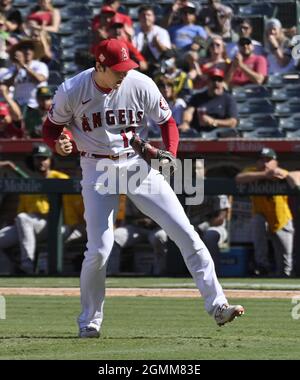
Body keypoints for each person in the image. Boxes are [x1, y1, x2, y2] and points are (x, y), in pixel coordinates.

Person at [42, 38, 244, 338]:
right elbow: (50, 129)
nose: (124, 72)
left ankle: (218, 305)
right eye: (117, 68)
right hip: (96, 167)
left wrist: (171, 153)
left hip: (136, 165)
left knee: (185, 233)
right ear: (99, 65)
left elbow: (167, 122)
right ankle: (89, 320)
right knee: (99, 249)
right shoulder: (73, 89)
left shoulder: (139, 83)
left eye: (127, 66)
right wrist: (56, 144)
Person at [0, 143, 85, 274]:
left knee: (23, 219)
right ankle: (7, 274)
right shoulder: (29, 181)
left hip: (53, 224)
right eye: (38, 158)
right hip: (28, 226)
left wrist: (73, 226)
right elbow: (21, 213)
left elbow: (71, 210)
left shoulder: (60, 178)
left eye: (44, 158)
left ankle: (27, 265)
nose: (41, 161)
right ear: (32, 160)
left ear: (50, 160)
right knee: (22, 219)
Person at [235, 147, 294, 277]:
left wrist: (283, 175)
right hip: (261, 214)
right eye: (262, 160)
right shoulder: (252, 172)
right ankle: (262, 267)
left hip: (281, 218)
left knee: (285, 258)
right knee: (258, 222)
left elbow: (294, 181)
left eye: (268, 160)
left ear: (275, 162)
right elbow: (239, 178)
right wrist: (264, 175)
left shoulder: (281, 172)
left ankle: (285, 276)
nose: (265, 163)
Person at [179, 68, 238, 134]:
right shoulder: (197, 97)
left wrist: (213, 122)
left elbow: (233, 122)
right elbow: (188, 112)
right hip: (199, 135)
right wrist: (186, 123)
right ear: (207, 82)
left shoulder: (228, 99)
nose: (216, 83)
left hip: (221, 136)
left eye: (219, 80)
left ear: (223, 82)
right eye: (213, 80)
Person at [4, 39, 49, 109]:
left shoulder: (40, 65)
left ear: (33, 52)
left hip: (36, 105)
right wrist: (16, 71)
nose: (27, 51)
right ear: (19, 52)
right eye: (24, 48)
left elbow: (40, 79)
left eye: (30, 48)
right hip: (18, 105)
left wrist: (24, 66)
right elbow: (6, 85)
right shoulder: (14, 68)